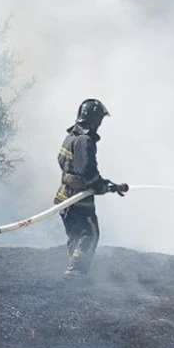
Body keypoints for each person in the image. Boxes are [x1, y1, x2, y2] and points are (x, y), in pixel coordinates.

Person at [54, 99, 128, 278]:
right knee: (90, 234)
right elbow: (88, 173)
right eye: (100, 119)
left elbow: (67, 165)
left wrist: (110, 185)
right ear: (94, 119)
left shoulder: (70, 137)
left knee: (76, 235)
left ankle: (74, 269)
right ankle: (76, 270)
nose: (100, 124)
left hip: (64, 198)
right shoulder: (85, 141)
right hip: (78, 200)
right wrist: (103, 186)